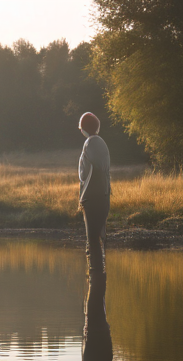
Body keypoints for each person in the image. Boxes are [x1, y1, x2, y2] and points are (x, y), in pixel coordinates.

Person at [78, 112, 110, 275]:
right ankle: (101, 275)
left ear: (84, 128)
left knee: (92, 239)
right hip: (104, 196)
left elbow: (83, 174)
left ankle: (95, 273)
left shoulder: (88, 143)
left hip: (91, 197)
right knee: (101, 235)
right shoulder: (103, 143)